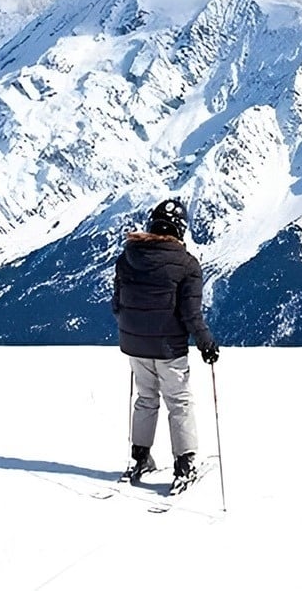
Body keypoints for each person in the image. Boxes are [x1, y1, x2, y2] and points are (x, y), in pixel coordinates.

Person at [112, 198, 219, 489]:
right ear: (180, 230)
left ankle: (140, 457)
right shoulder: (186, 265)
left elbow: (117, 304)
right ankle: (184, 465)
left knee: (146, 399)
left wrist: (132, 329)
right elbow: (190, 313)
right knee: (179, 402)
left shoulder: (127, 257)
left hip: (135, 346)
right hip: (169, 348)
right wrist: (206, 342)